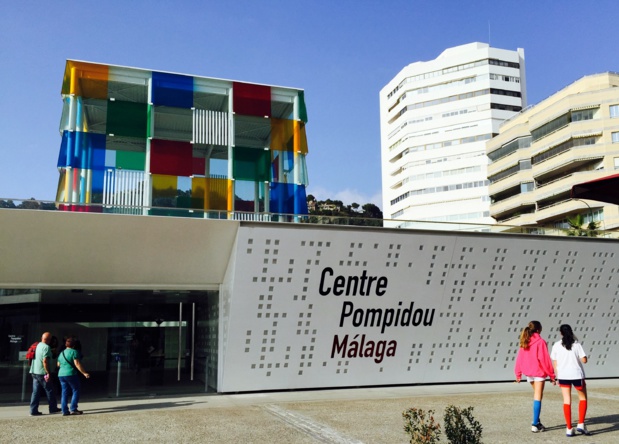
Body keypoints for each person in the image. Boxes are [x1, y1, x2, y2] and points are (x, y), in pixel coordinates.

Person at [514, 320, 556, 433]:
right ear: (538, 329)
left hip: (528, 372)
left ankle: (537, 421)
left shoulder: (525, 340)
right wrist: (552, 375)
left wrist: (518, 374)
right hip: (538, 372)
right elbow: (545, 360)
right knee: (538, 397)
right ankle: (534, 424)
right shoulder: (540, 342)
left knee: (537, 395)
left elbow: (519, 358)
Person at [551, 324, 592, 437]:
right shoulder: (576, 344)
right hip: (577, 375)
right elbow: (584, 360)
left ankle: (569, 428)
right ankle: (581, 424)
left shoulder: (556, 345)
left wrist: (556, 376)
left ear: (561, 333)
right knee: (583, 398)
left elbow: (555, 363)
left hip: (563, 376)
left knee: (566, 401)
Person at [57, 337, 90, 416]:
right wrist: (84, 373)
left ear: (66, 345)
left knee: (64, 392)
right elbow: (77, 363)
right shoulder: (74, 352)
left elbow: (58, 364)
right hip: (71, 373)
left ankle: (64, 410)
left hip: (61, 374)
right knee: (75, 390)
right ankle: (73, 409)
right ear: (74, 345)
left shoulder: (61, 353)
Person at [29, 332, 60, 416]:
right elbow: (45, 361)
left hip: (34, 371)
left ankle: (33, 410)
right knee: (50, 390)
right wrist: (48, 372)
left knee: (35, 392)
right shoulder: (46, 347)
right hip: (42, 373)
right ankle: (53, 408)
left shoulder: (37, 345)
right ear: (49, 340)